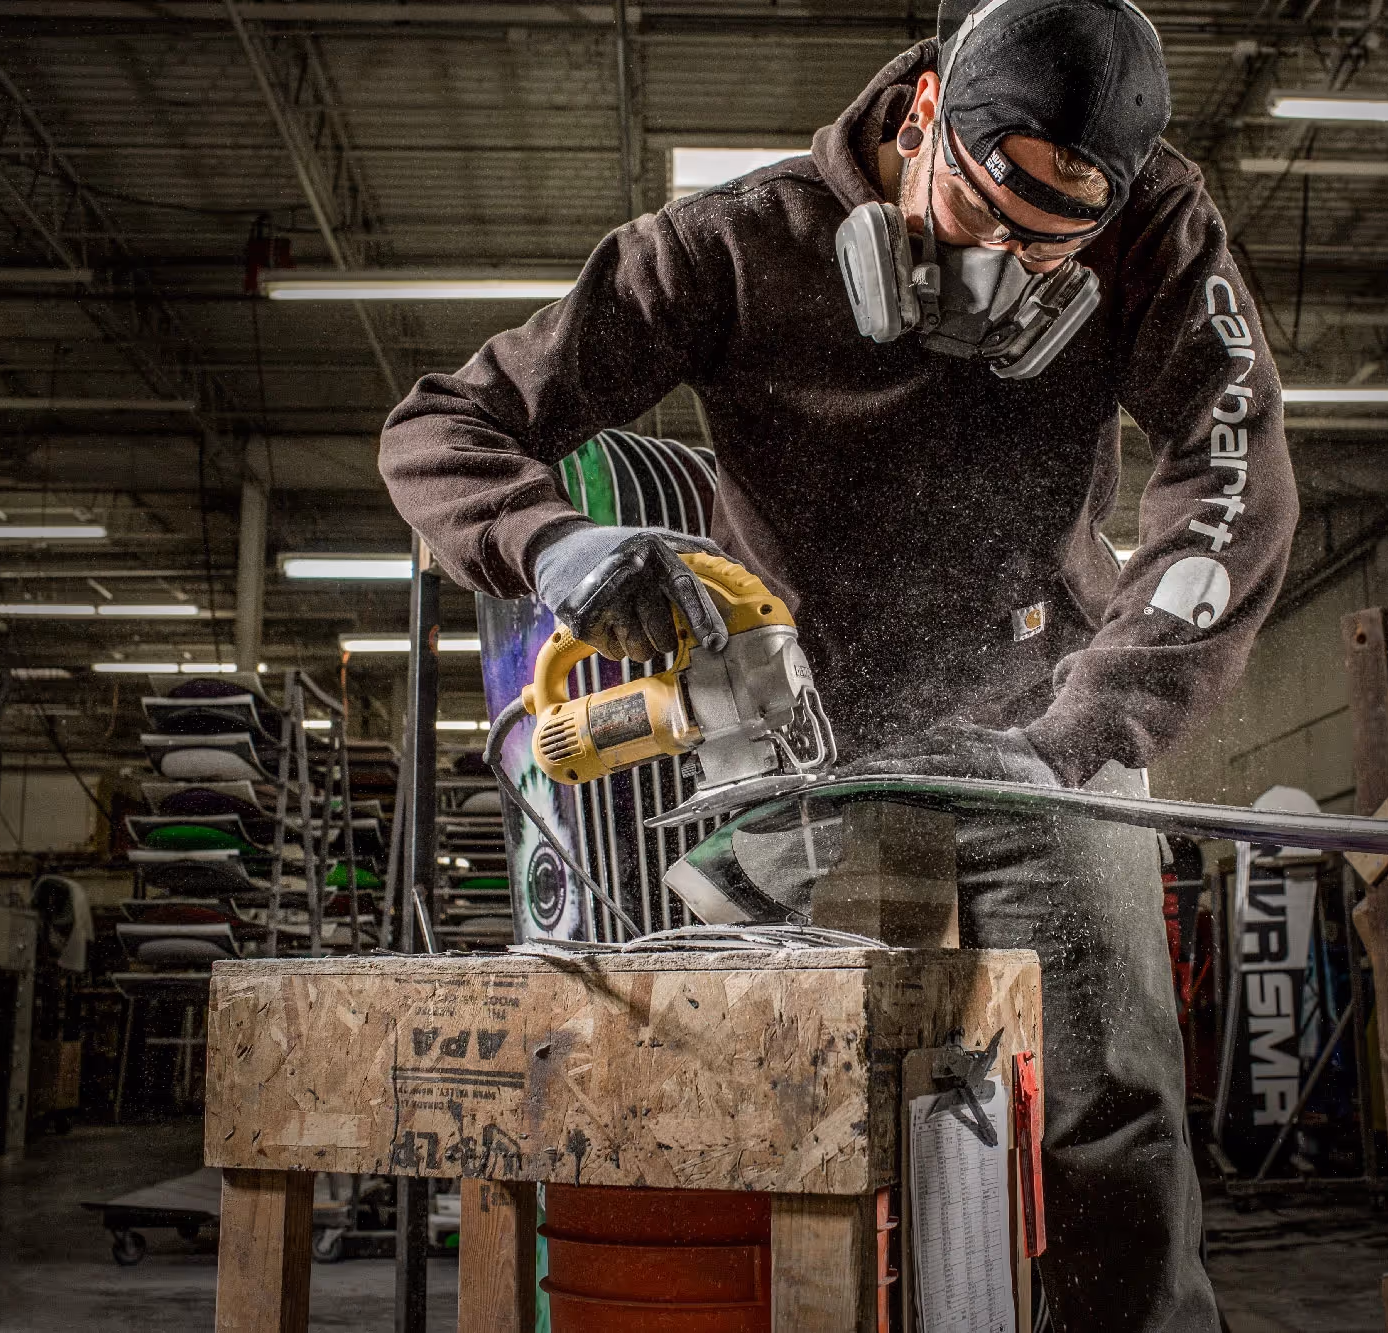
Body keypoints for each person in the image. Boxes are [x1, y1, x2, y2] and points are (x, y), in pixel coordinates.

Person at [379, 0, 1296, 1324]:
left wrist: (1093, 726)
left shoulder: (1156, 222)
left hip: (1047, 727)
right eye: (987, 219)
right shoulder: (731, 247)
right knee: (774, 1114)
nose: (1011, 276)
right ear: (925, 116)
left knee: (1108, 1125)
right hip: (800, 743)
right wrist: (554, 548)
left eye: (1056, 250)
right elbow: (444, 423)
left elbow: (1234, 471)